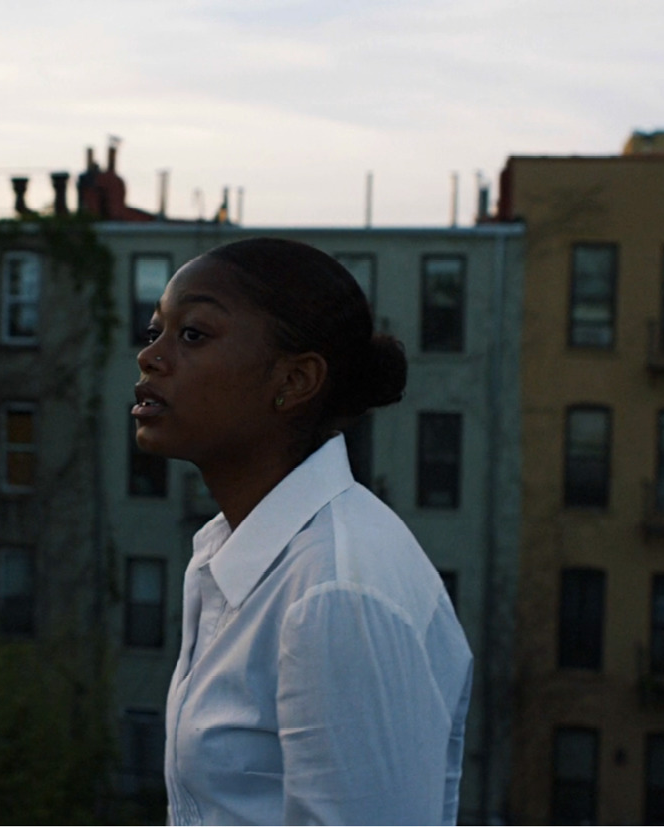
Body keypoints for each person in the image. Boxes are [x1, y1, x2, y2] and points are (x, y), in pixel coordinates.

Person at [131, 237, 473, 826]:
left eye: (192, 335)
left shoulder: (334, 594)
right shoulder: (228, 553)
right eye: (155, 330)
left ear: (295, 379)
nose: (151, 357)